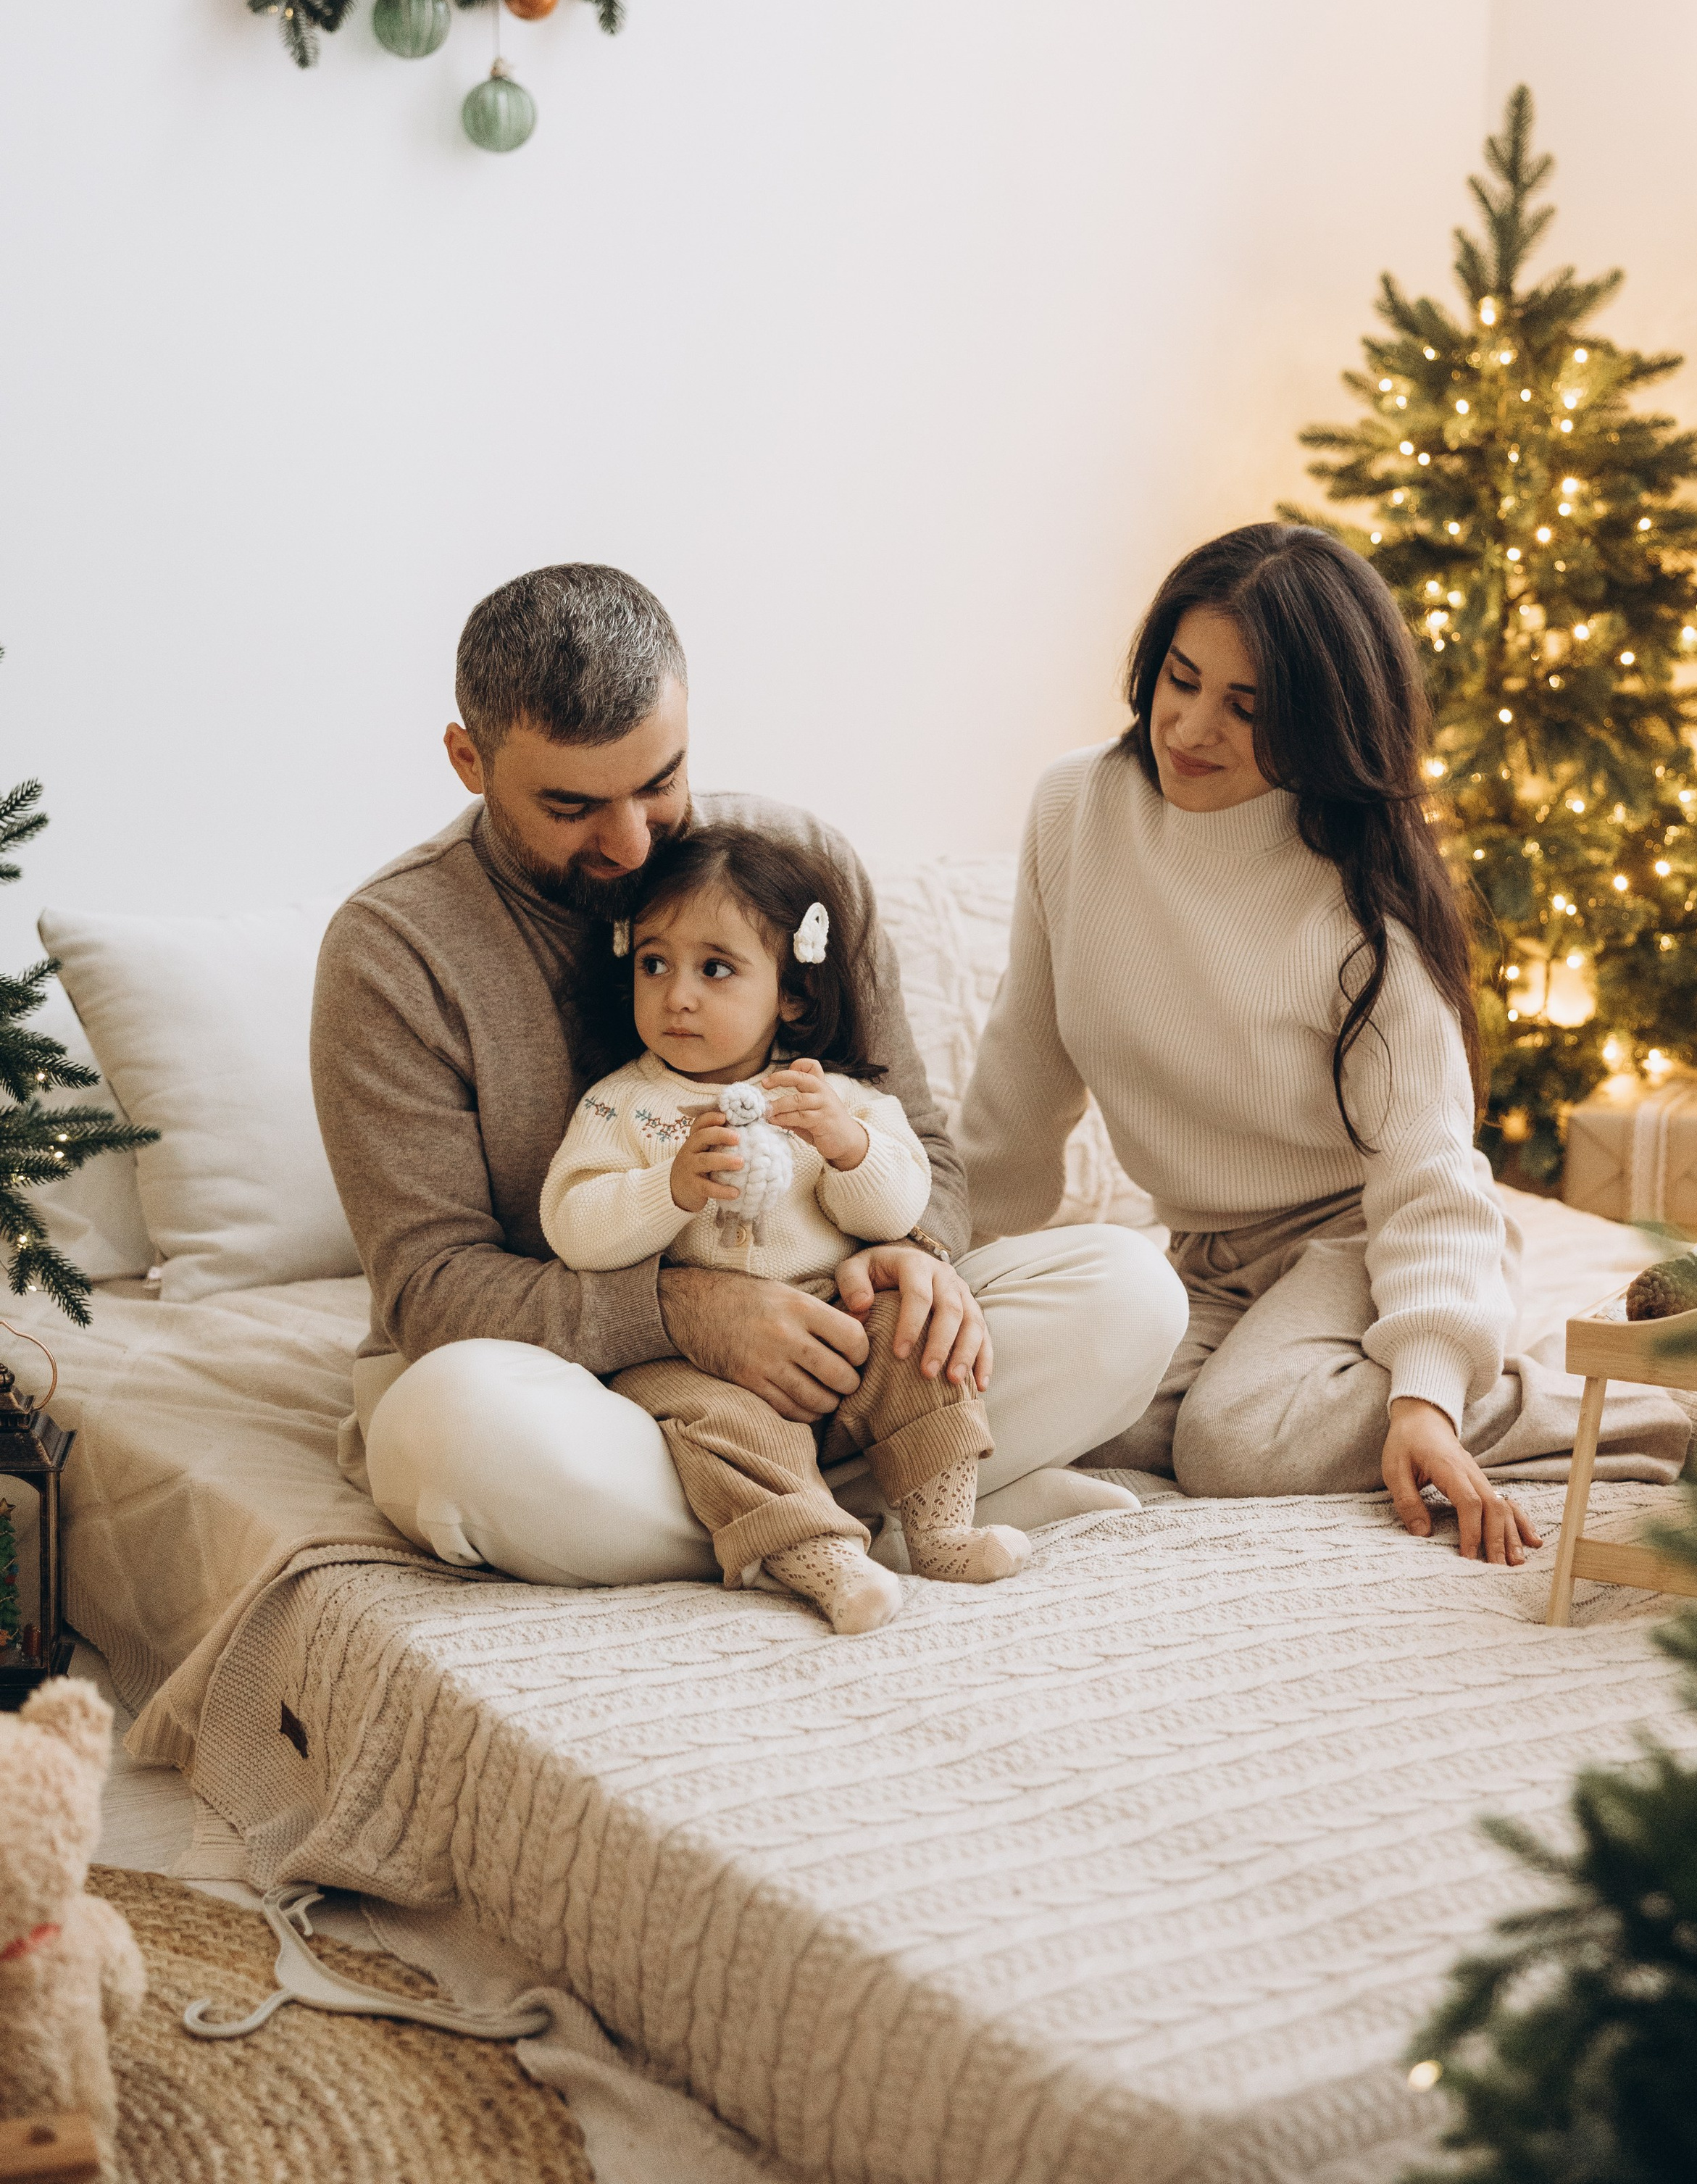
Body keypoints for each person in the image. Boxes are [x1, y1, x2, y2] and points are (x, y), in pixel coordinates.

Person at [311, 562, 1185, 1587]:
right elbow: (432, 1289)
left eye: (660, 781)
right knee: (443, 1427)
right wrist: (689, 1311)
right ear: (469, 758)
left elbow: (924, 1148)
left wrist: (919, 1252)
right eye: (573, 806)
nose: (632, 842)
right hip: (581, 1381)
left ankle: (809, 1508)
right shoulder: (391, 948)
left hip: (829, 1337)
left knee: (1130, 1289)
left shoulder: (797, 863)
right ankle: (894, 1501)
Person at [959, 522, 1688, 1567]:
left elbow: (1427, 1173)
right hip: (1204, 1257)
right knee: (1066, 1400)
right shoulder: (1074, 809)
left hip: (1362, 1239)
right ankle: (1347, 1387)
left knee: (1230, 1440)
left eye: (1247, 709)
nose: (1193, 727)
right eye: (1182, 677)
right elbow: (1018, 1090)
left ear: (1318, 725)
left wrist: (1428, 1393)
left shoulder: (1362, 907)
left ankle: (1618, 1412)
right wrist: (939, 1265)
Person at [541, 825, 1031, 1633]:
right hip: (690, 1354)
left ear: (792, 994)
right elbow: (574, 1228)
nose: (678, 995)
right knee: (722, 1427)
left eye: (716, 969)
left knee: (919, 1343)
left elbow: (895, 1211)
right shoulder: (620, 1105)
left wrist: (847, 1148)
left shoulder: (836, 1098)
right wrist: (670, 1190)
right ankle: (822, 1560)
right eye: (654, 964)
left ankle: (940, 1530)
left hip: (834, 1321)